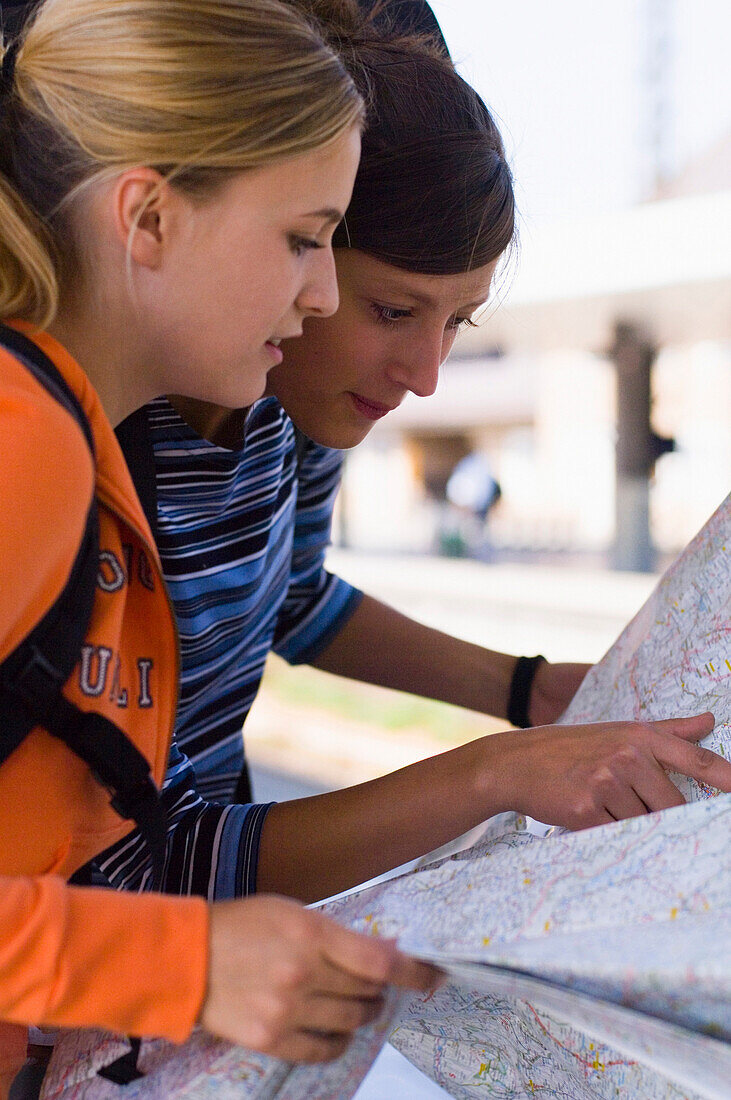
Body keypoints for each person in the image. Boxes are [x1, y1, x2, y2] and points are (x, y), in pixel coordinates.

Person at [93, 0, 731, 913]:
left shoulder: (292, 403)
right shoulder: (85, 453)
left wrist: (527, 692)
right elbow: (118, 873)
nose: (425, 377)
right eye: (392, 311)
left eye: (456, 322)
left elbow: (290, 593)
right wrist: (492, 773)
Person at [0, 0, 440, 1094]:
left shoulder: (67, 437)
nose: (322, 292)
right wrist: (184, 960)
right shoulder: (26, 449)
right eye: (302, 237)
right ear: (146, 217)